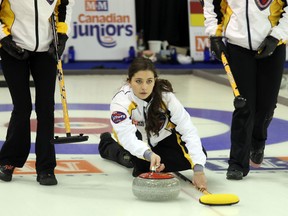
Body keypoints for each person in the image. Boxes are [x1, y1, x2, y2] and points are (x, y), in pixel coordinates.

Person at [203, 1, 288, 180]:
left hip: (273, 44)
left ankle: (258, 140)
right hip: (238, 46)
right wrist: (214, 35)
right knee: (244, 106)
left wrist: (276, 37)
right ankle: (237, 163)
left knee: (266, 106)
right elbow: (210, 3)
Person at [98, 57, 207, 190]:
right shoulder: (121, 101)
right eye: (138, 81)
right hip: (138, 141)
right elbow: (127, 137)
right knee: (140, 167)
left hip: (162, 140)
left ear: (154, 81)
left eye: (149, 81)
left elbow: (188, 130)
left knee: (199, 155)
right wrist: (148, 154)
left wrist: (198, 169)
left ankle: (158, 163)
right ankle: (108, 142)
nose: (144, 87)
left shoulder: (166, 97)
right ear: (129, 81)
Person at [0, 0, 74, 185]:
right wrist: (3, 38)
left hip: (46, 50)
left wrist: (63, 34)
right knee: (22, 107)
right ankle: (9, 161)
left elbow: (65, 5)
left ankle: (46, 167)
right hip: (13, 47)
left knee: (46, 107)